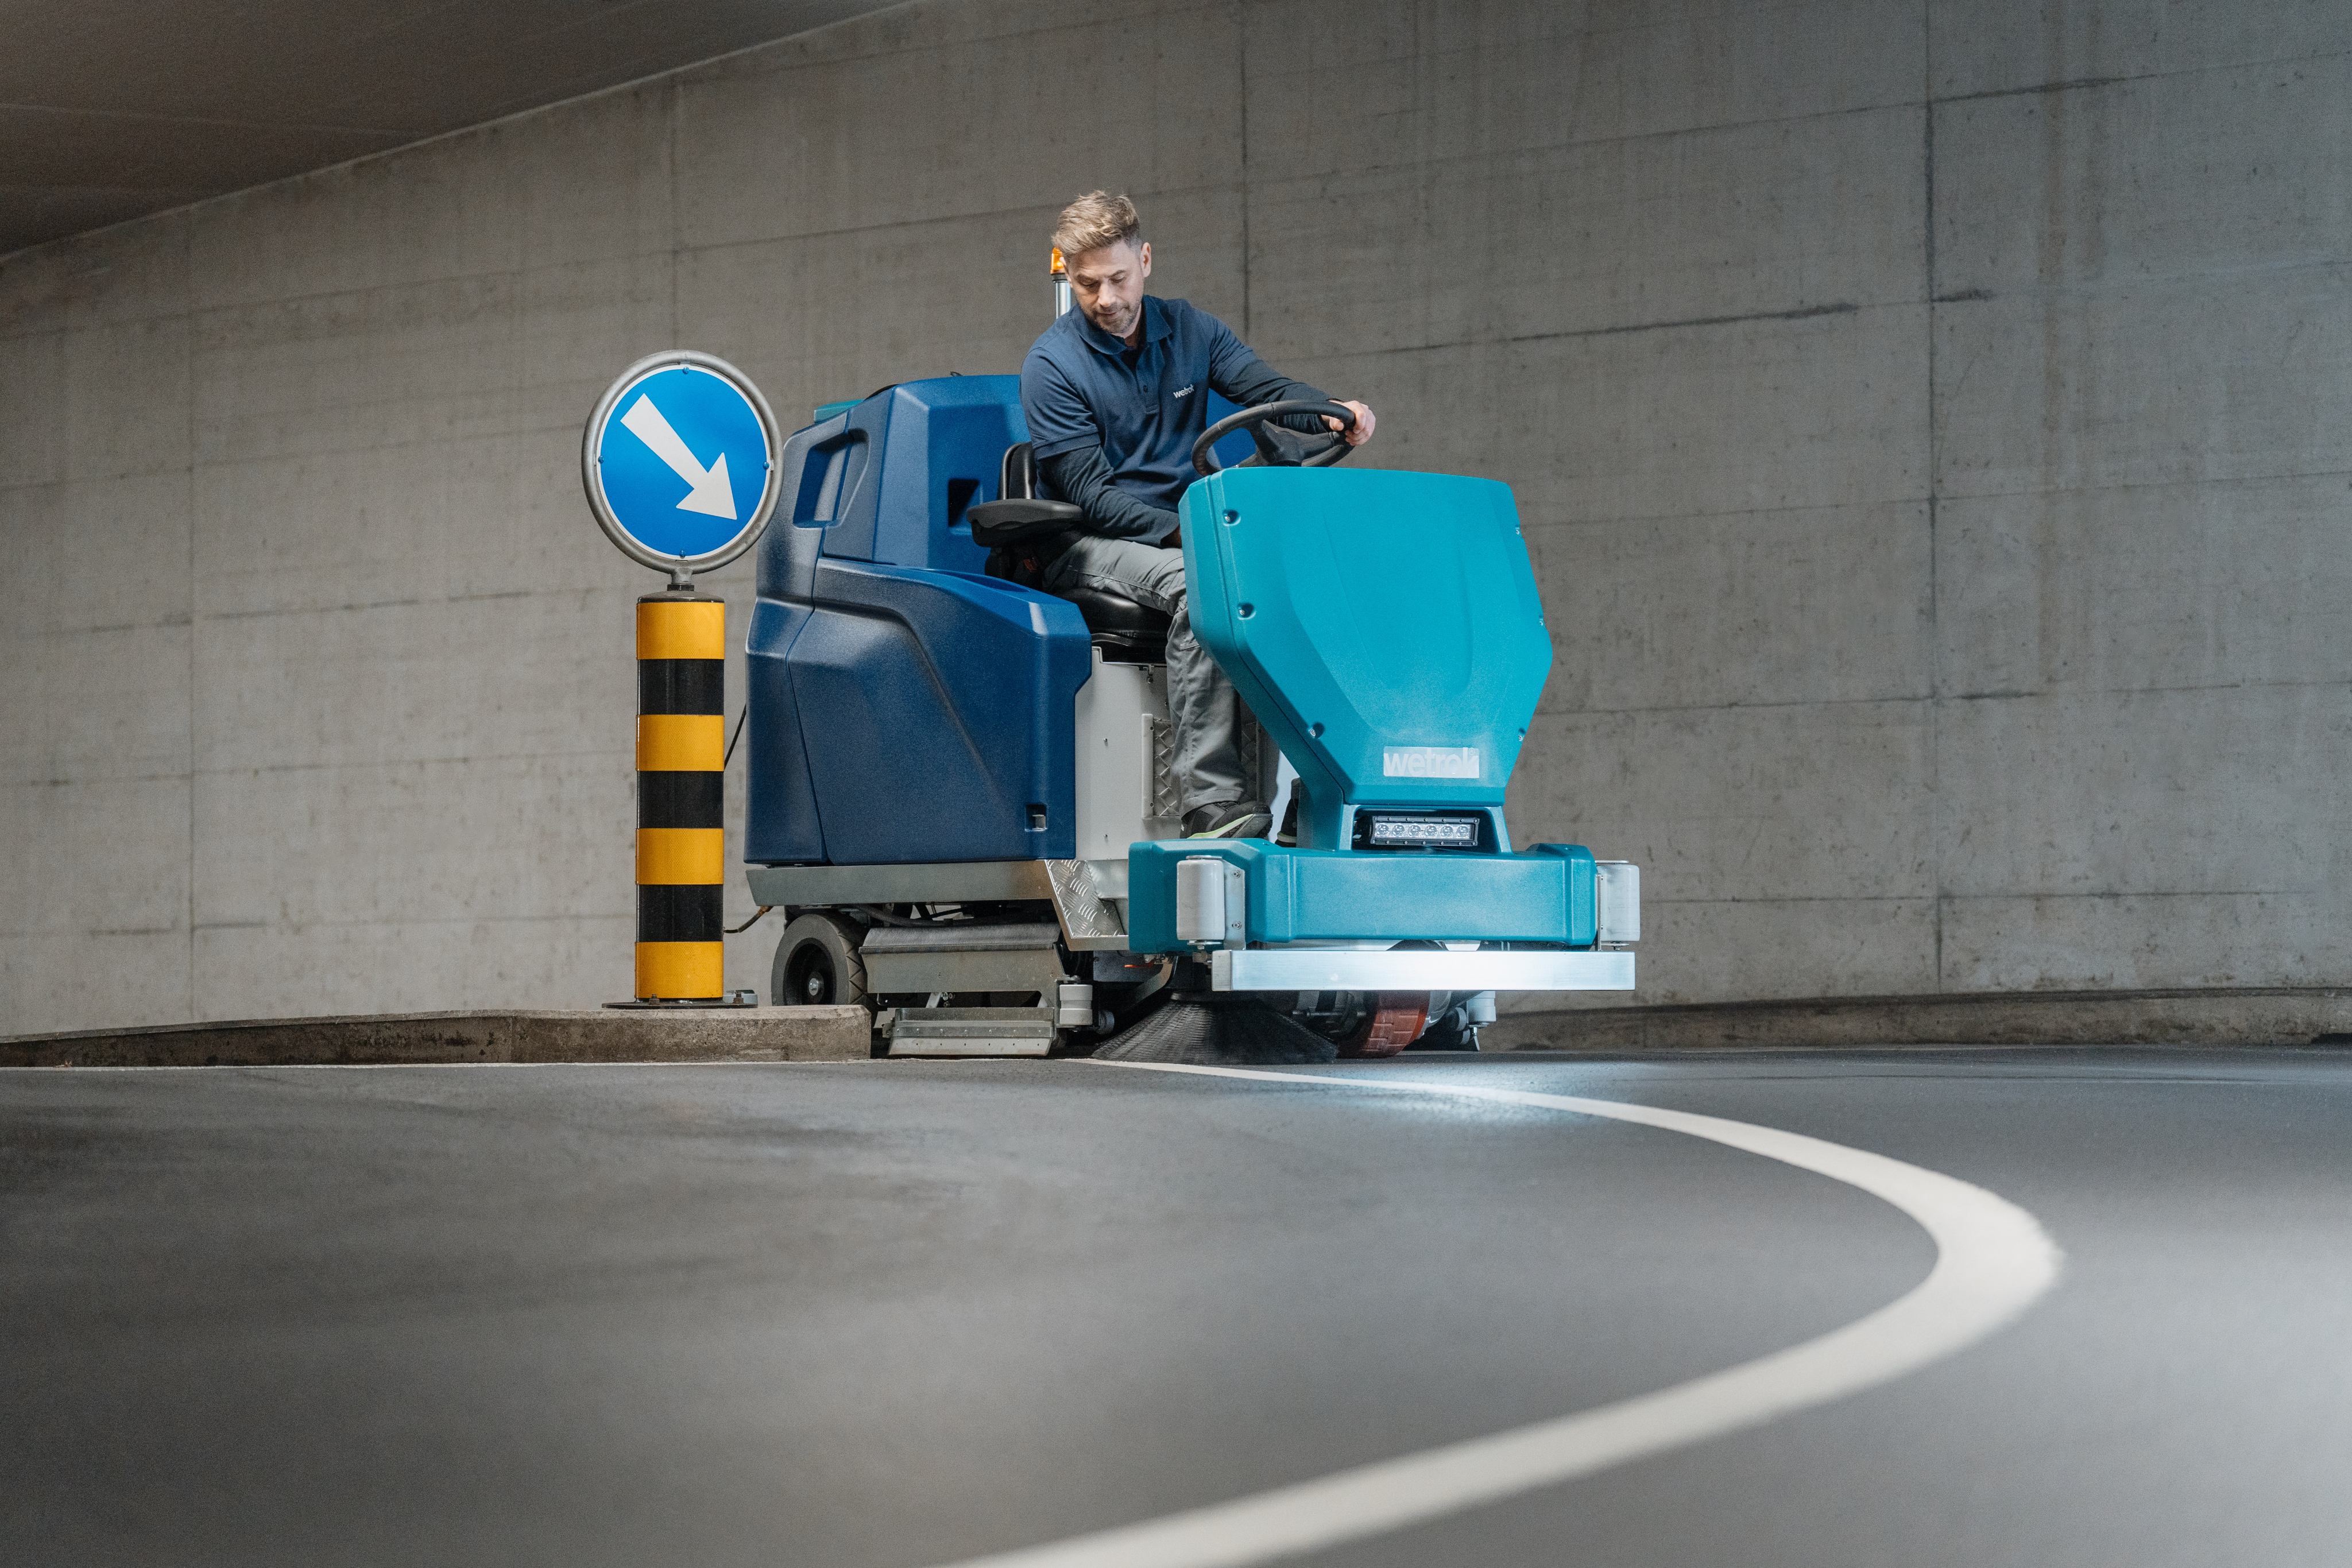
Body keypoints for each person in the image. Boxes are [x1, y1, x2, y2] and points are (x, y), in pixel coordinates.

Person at [1019, 191, 1376, 839]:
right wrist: (1192, 531)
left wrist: (1327, 409)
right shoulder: (1052, 365)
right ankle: (1211, 802)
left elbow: (1267, 391)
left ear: (1146, 260)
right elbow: (1091, 496)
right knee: (1201, 583)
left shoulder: (1191, 330)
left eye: (1117, 279)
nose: (1104, 298)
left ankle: (1313, 793)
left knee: (1305, 581)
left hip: (1183, 528)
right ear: (1069, 277)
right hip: (1092, 541)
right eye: (1086, 283)